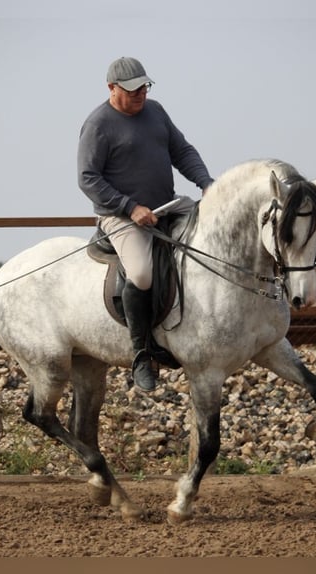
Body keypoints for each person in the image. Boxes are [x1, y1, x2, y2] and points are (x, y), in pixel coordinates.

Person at [77, 56, 214, 392]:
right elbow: (87, 178)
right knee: (140, 273)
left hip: (165, 206)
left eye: (144, 87)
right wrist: (130, 207)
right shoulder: (98, 125)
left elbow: (181, 151)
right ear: (112, 88)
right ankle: (141, 355)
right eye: (133, 89)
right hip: (121, 217)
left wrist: (206, 183)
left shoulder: (156, 112)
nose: (141, 94)